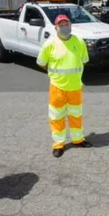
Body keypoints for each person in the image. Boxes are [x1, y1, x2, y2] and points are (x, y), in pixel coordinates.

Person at [36, 14, 93, 158]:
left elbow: (84, 60)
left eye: (66, 23)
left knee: (76, 116)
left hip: (75, 87)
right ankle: (58, 144)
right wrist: (55, 74)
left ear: (71, 25)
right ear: (55, 28)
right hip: (57, 88)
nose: (64, 27)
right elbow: (41, 63)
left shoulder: (79, 41)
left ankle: (78, 140)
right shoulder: (49, 44)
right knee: (56, 118)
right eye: (61, 25)